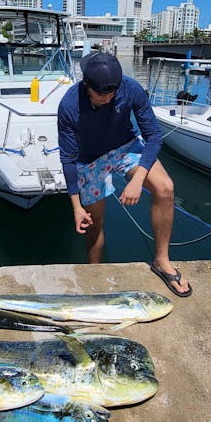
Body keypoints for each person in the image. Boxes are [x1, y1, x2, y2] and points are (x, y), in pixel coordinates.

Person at [57, 52, 192, 297]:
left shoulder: (132, 89)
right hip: (90, 159)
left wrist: (137, 180)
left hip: (125, 147)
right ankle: (94, 276)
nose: (107, 100)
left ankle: (162, 260)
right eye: (101, 95)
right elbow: (68, 159)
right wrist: (76, 206)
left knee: (165, 188)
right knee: (93, 223)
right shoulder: (68, 105)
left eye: (112, 94)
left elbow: (153, 136)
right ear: (86, 85)